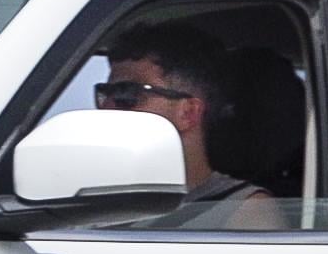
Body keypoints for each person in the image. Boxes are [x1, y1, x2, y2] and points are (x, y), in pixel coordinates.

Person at [90, 24, 285, 229]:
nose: (106, 107)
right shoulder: (94, 197)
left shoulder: (243, 210)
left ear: (188, 112)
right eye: (105, 92)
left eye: (126, 93)